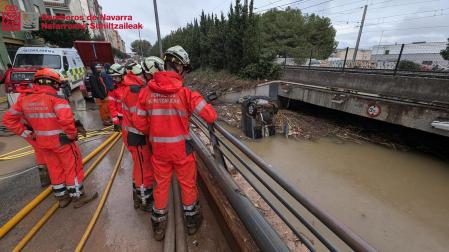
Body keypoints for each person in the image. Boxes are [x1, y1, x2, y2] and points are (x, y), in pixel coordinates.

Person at [134, 46, 217, 240]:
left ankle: (158, 226)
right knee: (187, 185)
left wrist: (155, 132)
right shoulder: (186, 93)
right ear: (179, 67)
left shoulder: (147, 92)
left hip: (159, 152)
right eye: (184, 69)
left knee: (161, 186)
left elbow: (139, 123)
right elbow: (211, 116)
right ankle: (191, 222)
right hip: (182, 151)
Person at [2, 68, 98, 208]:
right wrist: (72, 135)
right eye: (57, 83)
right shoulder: (56, 99)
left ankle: (62, 197)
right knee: (73, 167)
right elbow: (66, 121)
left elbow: (8, 119)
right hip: (62, 142)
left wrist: (28, 135)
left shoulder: (24, 100)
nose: (58, 86)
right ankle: (78, 197)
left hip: (42, 143)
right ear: (52, 83)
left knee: (54, 168)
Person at [121, 59, 163, 212]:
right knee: (144, 169)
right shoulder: (135, 91)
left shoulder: (131, 87)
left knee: (139, 167)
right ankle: (145, 200)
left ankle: (137, 195)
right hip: (137, 136)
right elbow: (139, 120)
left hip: (132, 135)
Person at [106, 63, 126, 131]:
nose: (113, 79)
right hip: (121, 118)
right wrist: (116, 121)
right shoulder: (112, 89)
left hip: (131, 117)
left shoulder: (129, 86)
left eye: (115, 77)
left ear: (121, 76)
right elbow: (112, 106)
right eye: (112, 77)